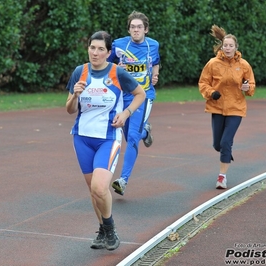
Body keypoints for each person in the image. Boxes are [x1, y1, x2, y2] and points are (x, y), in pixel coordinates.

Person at [66, 31, 145, 250]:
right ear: (88, 48)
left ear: (109, 53)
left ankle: (110, 229)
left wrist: (126, 113)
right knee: (93, 190)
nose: (96, 52)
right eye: (92, 47)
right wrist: (74, 95)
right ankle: (102, 230)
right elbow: (70, 110)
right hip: (82, 138)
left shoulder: (117, 73)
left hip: (108, 138)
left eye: (101, 49)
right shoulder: (79, 72)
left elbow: (141, 94)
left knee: (100, 187)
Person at [107, 11, 160, 196]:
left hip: (144, 96)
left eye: (139, 27)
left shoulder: (153, 45)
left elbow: (156, 62)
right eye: (132, 27)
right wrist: (115, 68)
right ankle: (146, 132)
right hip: (124, 96)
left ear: (145, 29)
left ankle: (123, 180)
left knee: (131, 138)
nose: (136, 30)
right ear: (128, 29)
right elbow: (106, 64)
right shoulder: (119, 45)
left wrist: (155, 74)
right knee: (130, 132)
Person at [198, 25, 256, 189]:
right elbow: (203, 83)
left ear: (236, 47)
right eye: (225, 45)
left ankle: (222, 177)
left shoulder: (244, 65)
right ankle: (225, 152)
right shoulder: (212, 63)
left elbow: (250, 84)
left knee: (226, 142)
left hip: (236, 108)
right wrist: (211, 92)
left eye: (231, 45)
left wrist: (247, 88)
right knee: (218, 144)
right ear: (222, 47)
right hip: (217, 107)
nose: (228, 48)